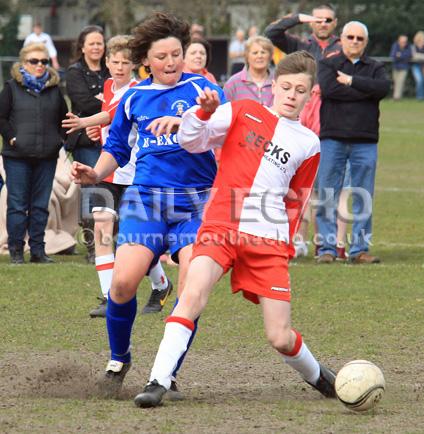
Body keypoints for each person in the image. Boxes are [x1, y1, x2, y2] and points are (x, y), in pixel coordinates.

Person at [132, 51, 337, 408]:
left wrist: (287, 245)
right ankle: (158, 380)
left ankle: (318, 375)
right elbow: (192, 141)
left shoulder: (309, 143)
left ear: (310, 94)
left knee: (279, 336)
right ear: (274, 86)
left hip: (268, 240)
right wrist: (203, 112)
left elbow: (296, 202)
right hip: (221, 226)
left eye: (300, 90)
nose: (291, 94)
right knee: (192, 295)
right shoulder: (241, 109)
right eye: (286, 86)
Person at [70, 12, 226, 398]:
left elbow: (220, 125)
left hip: (197, 202)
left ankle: (167, 372)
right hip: (147, 199)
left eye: (177, 54)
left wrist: (207, 110)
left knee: (192, 287)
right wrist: (95, 173)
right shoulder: (133, 97)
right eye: (162, 57)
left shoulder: (204, 89)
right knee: (123, 283)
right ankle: (119, 358)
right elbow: (117, 149)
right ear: (146, 60)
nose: (172, 62)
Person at [63, 35, 172, 318]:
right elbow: (110, 125)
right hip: (107, 170)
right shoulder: (109, 85)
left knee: (132, 239)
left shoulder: (138, 89)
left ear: (135, 65)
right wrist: (94, 132)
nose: (120, 67)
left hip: (136, 173)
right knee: (101, 229)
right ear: (107, 63)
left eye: (126, 62)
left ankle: (161, 284)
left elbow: (112, 115)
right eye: (115, 61)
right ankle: (109, 297)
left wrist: (84, 122)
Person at [265, 4, 341, 258]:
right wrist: (297, 18)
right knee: (292, 184)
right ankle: (295, 238)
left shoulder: (340, 48)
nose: (322, 23)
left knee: (324, 186)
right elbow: (271, 33)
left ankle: (327, 244)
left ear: (335, 23)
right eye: (317, 19)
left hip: (328, 120)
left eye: (327, 19)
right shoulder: (300, 46)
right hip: (295, 121)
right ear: (311, 22)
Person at [316, 21, 390, 264]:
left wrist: (351, 81)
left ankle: (359, 249)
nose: (355, 41)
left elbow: (382, 89)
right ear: (342, 39)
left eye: (360, 38)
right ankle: (326, 248)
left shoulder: (376, 67)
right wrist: (364, 93)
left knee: (363, 195)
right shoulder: (328, 64)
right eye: (350, 37)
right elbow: (329, 90)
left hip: (365, 141)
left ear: (365, 42)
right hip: (332, 138)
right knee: (328, 193)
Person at [0, 43, 67, 264]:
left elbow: (64, 120)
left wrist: (58, 141)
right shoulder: (11, 88)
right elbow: (1, 118)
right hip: (16, 157)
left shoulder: (55, 90)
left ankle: (38, 251)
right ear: (23, 64)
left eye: (44, 62)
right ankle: (16, 250)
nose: (40, 65)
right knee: (18, 205)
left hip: (47, 157)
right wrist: (12, 138)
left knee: (40, 205)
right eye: (34, 61)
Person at [65, 25, 109, 263]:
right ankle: (93, 247)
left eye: (100, 43)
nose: (96, 47)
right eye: (91, 43)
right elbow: (82, 101)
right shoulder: (74, 72)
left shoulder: (111, 69)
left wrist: (102, 102)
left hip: (110, 138)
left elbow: (119, 101)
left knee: (112, 191)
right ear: (82, 47)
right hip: (84, 141)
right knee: (92, 194)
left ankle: (110, 242)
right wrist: (104, 102)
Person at [223, 35, 274, 106]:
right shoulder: (232, 83)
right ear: (247, 56)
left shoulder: (278, 82)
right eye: (255, 53)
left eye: (263, 52)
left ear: (271, 56)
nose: (259, 56)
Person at [390, 35, 412, 101]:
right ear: (399, 41)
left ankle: (396, 97)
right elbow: (393, 55)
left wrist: (399, 55)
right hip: (396, 67)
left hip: (404, 68)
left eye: (405, 42)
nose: (404, 43)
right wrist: (401, 56)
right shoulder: (395, 45)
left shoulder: (408, 46)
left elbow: (408, 55)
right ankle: (398, 97)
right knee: (396, 82)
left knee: (400, 81)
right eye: (402, 42)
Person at [411, 31, 424, 100]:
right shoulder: (413, 46)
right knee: (419, 80)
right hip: (416, 66)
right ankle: (419, 96)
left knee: (423, 81)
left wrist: (418, 56)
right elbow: (413, 56)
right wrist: (422, 56)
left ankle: (422, 96)